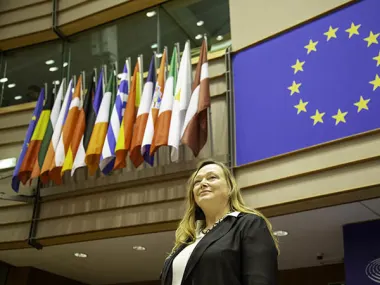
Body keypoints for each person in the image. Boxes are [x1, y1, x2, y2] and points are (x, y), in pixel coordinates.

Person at [160, 159, 279, 285]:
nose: (203, 183)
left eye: (212, 177)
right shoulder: (188, 239)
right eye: (197, 181)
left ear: (230, 188)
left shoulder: (249, 224)